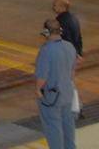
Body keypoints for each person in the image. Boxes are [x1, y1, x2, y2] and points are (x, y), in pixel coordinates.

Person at [34, 17, 77, 149]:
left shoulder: (46, 51)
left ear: (46, 32)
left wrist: (38, 90)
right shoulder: (69, 46)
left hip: (52, 96)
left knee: (53, 126)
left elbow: (42, 76)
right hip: (67, 93)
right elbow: (72, 72)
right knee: (68, 125)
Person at [53, 0, 84, 119]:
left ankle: (76, 108)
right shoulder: (74, 18)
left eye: (55, 5)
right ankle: (76, 107)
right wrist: (78, 53)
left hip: (65, 56)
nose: (53, 7)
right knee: (69, 82)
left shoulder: (60, 21)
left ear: (62, 7)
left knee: (66, 83)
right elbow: (78, 37)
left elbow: (64, 39)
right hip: (72, 55)